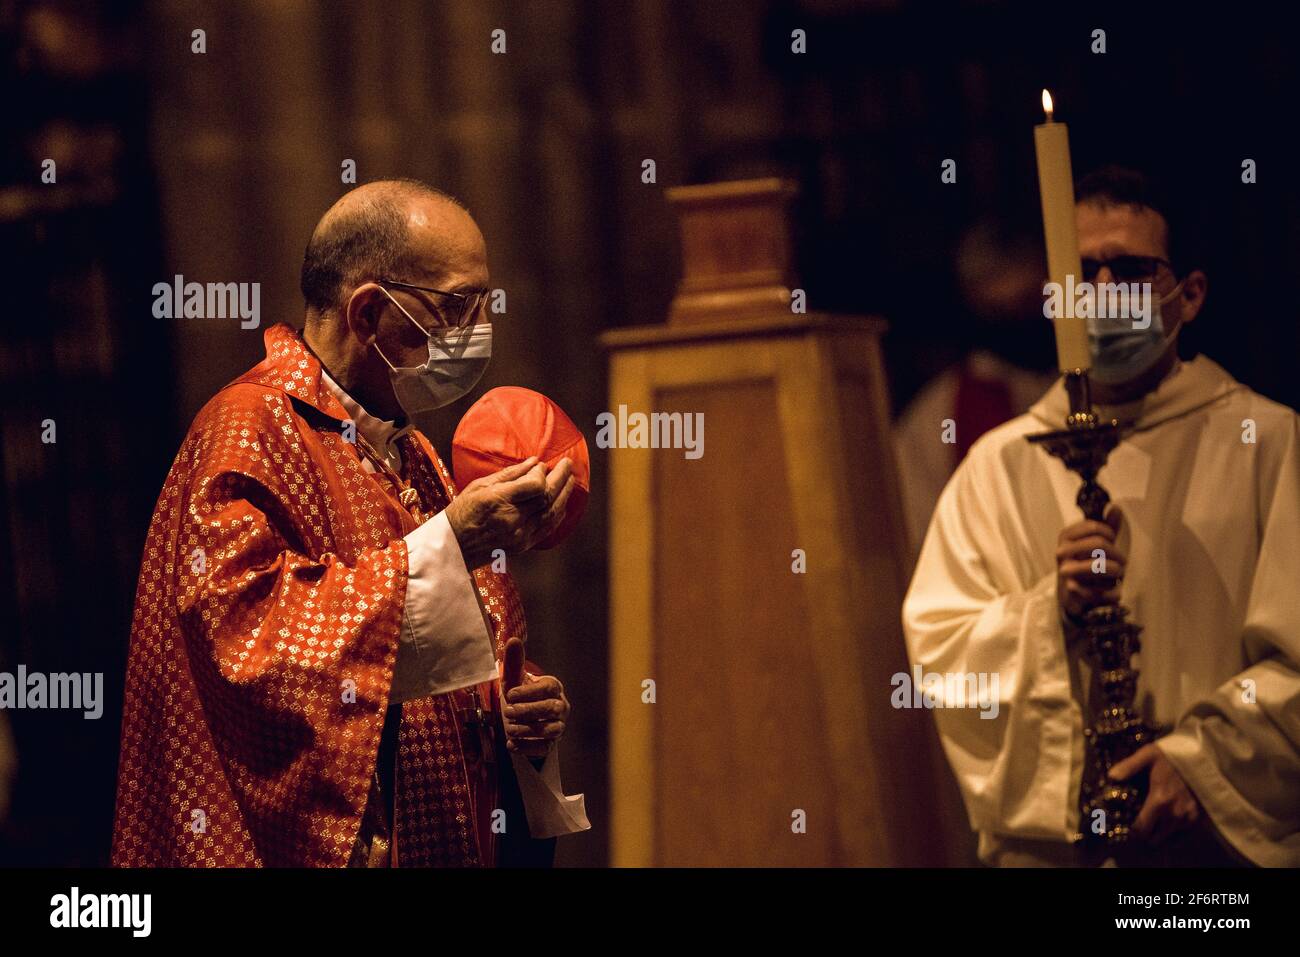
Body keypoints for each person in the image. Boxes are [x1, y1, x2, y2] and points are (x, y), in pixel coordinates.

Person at [112, 179, 589, 867]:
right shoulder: (248, 429)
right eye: (459, 305)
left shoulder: (412, 450)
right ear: (368, 312)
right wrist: (455, 539)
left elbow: (440, 663)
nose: (478, 327)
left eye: (484, 303)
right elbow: (250, 648)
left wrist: (512, 719)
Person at [902, 165, 1300, 866]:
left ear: (1191, 294)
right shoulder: (998, 467)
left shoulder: (1267, 442)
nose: (1105, 293)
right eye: (1083, 271)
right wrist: (1050, 611)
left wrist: (1200, 765)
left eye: (1131, 269)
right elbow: (944, 659)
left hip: (1216, 861)